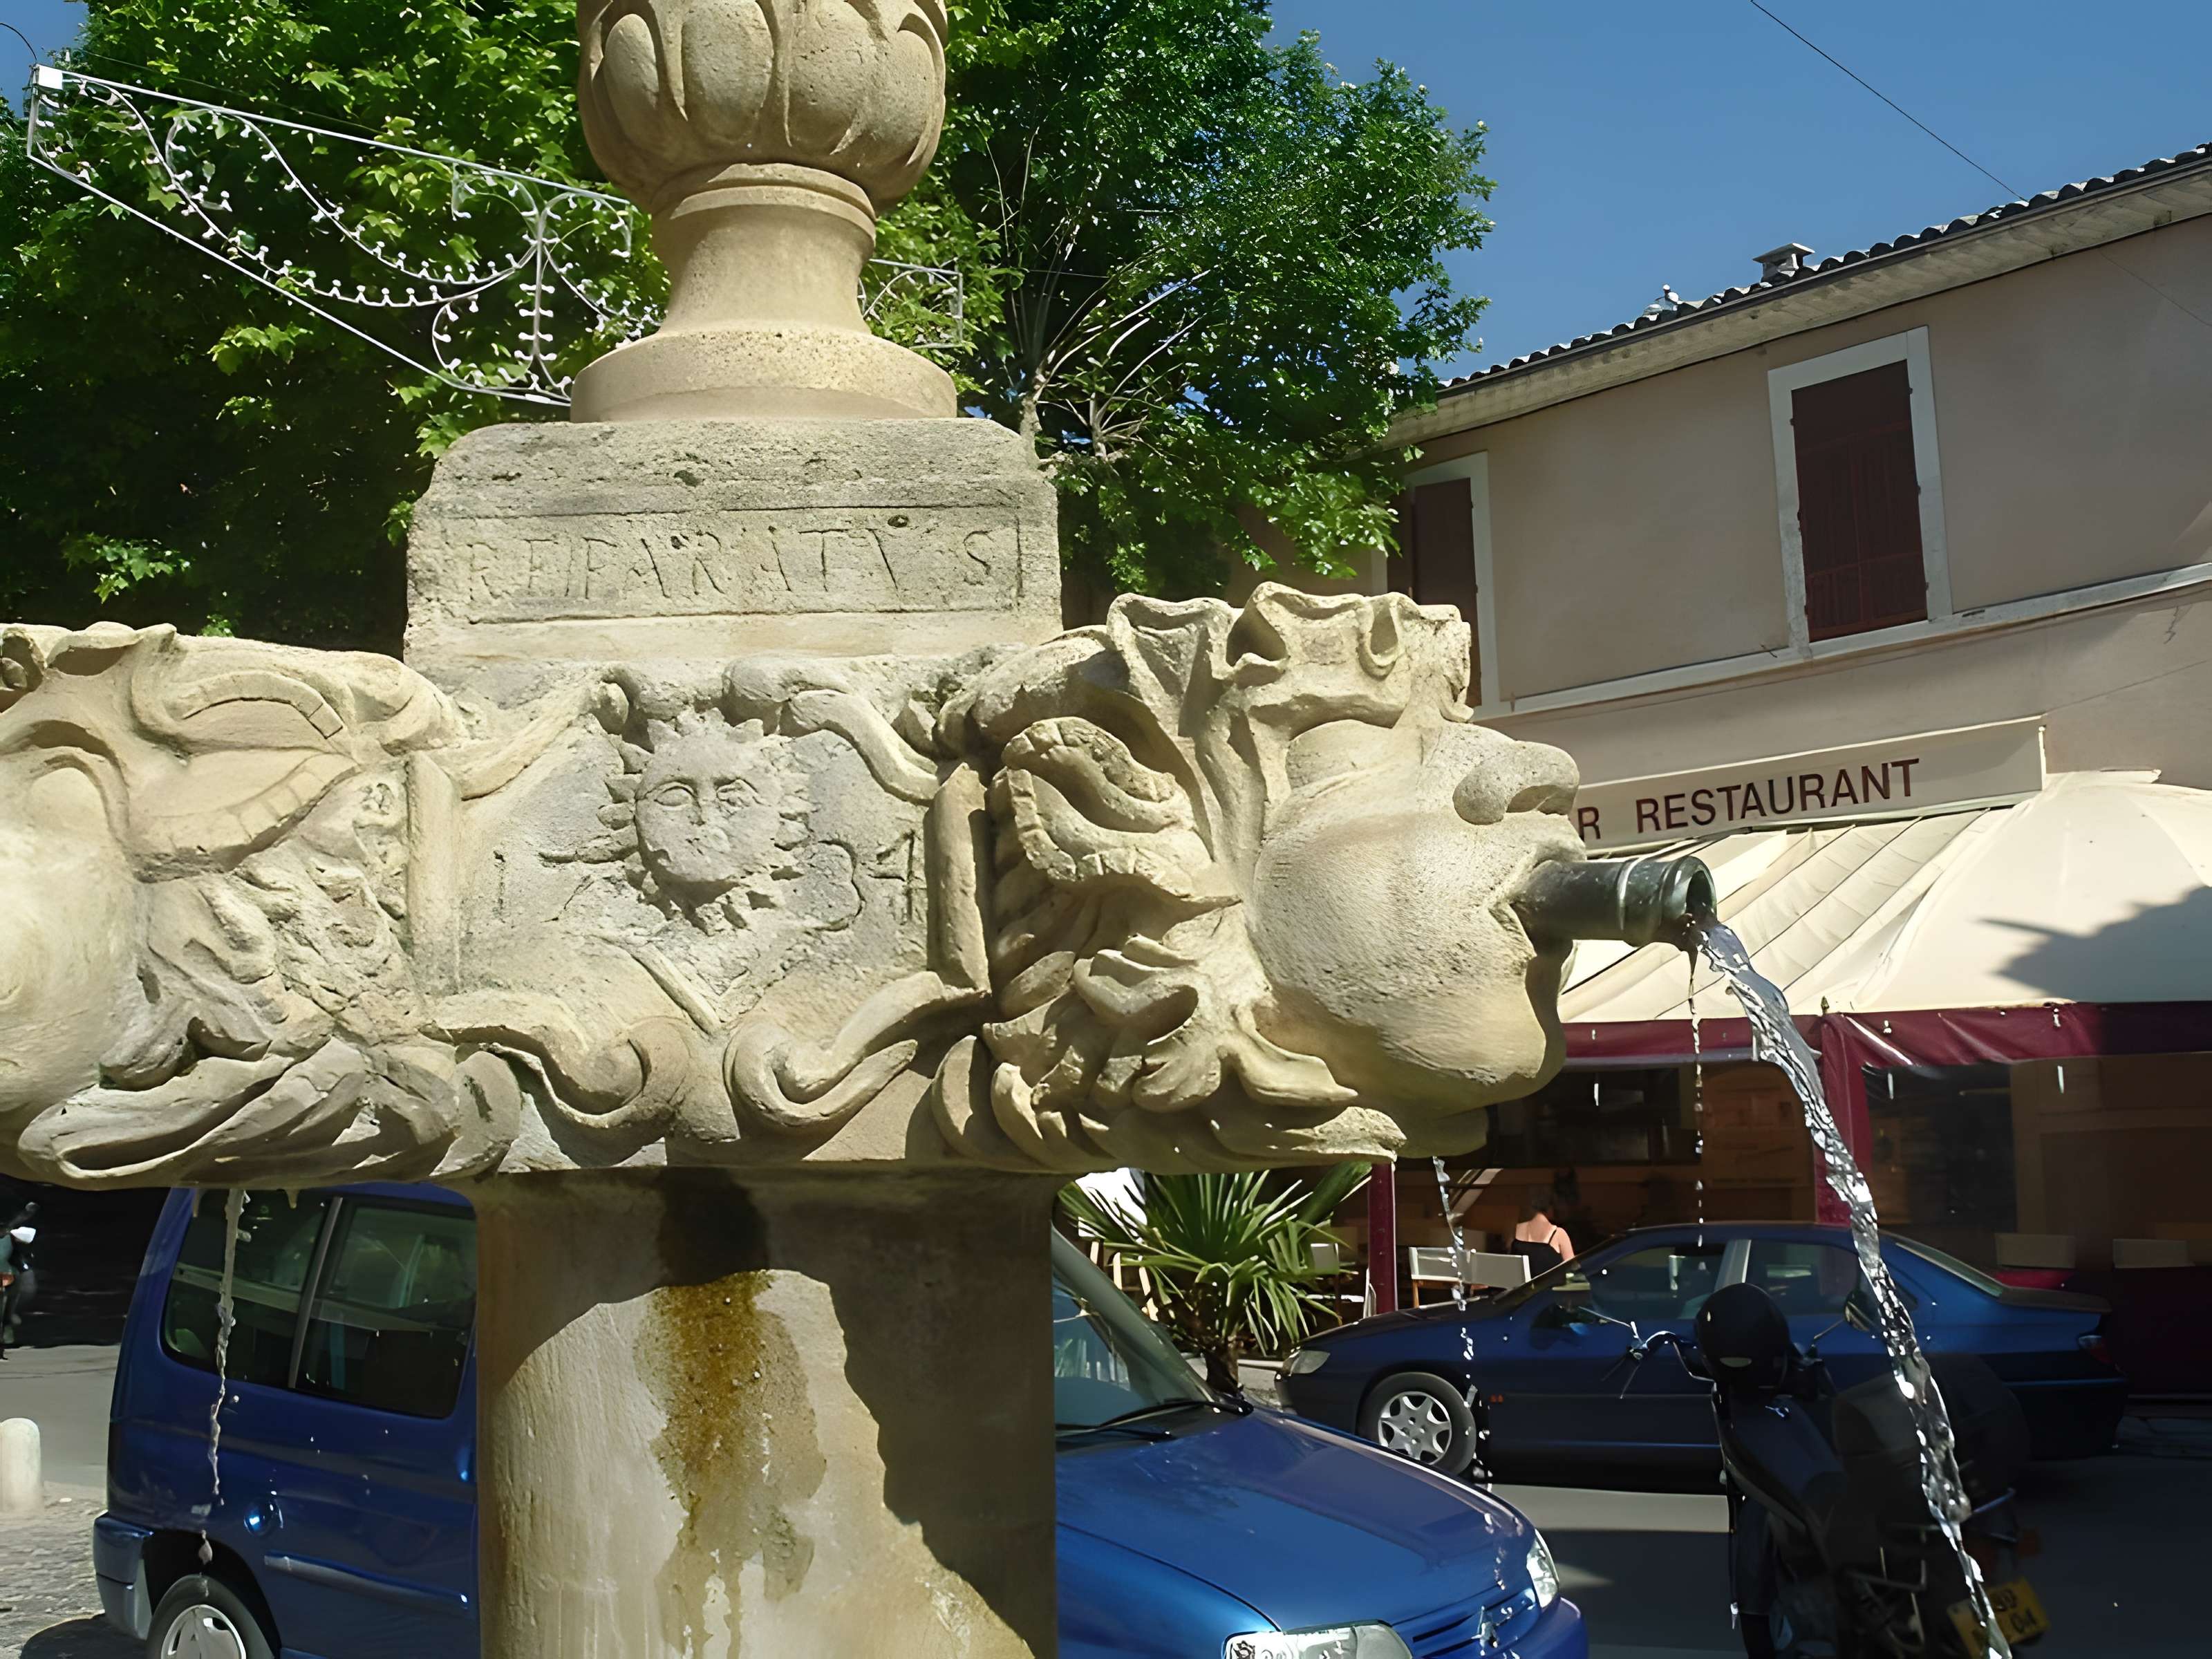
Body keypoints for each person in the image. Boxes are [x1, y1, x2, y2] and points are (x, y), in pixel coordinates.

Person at [0, 1201, 37, 1359]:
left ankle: (5, 1339)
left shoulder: (9, 1237)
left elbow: (16, 1223)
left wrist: (28, 1212)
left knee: (7, 1311)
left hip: (9, 1276)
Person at [1509, 1190, 1574, 1277]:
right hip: (1549, 1288)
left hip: (1519, 1289)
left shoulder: (1514, 1229)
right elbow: (1573, 1268)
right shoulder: (1559, 1234)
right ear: (1550, 1208)